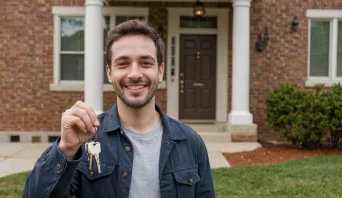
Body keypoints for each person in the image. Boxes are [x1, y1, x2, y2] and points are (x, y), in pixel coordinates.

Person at [22, 20, 215, 198]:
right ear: (109, 73)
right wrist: (65, 149)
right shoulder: (86, 138)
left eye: (146, 63)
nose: (134, 74)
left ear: (161, 71)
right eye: (123, 64)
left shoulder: (191, 143)